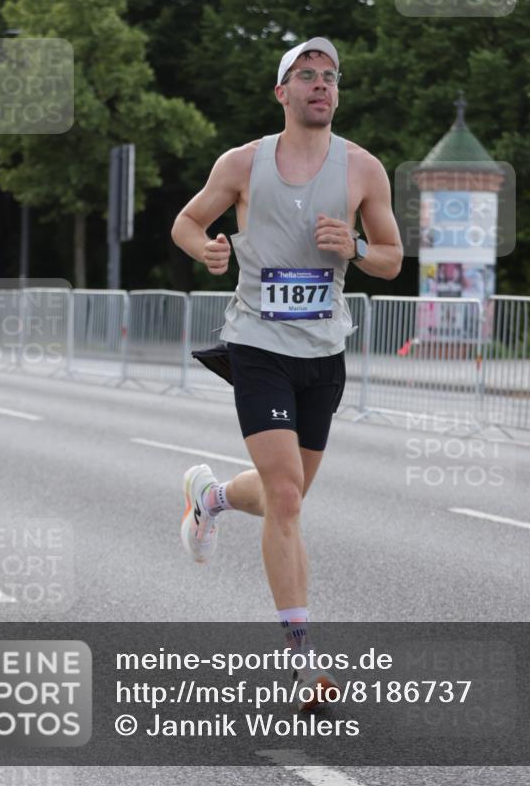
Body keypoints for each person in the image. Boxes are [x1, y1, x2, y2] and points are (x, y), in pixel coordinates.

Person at [171, 37, 403, 708]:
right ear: (282, 92)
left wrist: (354, 246)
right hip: (257, 346)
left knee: (284, 496)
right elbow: (187, 221)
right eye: (306, 76)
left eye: (329, 76)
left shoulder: (362, 169)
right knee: (289, 498)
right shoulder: (242, 163)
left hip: (323, 354)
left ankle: (209, 498)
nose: (320, 85)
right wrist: (206, 249)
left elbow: (390, 257)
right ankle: (303, 666)